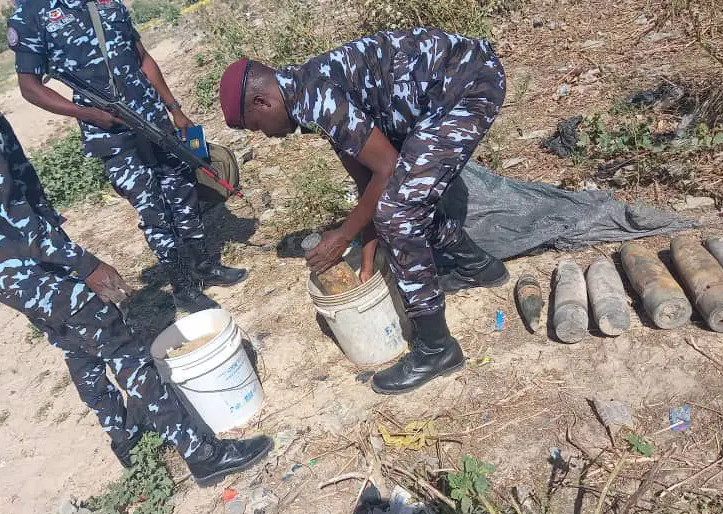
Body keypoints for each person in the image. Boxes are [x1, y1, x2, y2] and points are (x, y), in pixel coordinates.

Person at [0, 0, 271, 484]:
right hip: (21, 258)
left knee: (76, 343)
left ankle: (128, 439)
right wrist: (82, 262)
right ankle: (203, 456)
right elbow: (4, 206)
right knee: (116, 337)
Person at [218, 28, 509, 395]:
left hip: (466, 87)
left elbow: (386, 168)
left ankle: (437, 349)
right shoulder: (305, 92)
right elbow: (369, 180)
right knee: (399, 199)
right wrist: (367, 257)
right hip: (440, 96)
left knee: (399, 212)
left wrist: (343, 236)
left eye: (257, 127)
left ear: (261, 102)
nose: (265, 135)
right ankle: (478, 267)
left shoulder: (315, 97)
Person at [7, 0, 245, 314]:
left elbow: (142, 57)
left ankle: (205, 265)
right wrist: (85, 113)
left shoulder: (108, 3)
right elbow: (30, 87)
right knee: (153, 210)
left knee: (183, 192)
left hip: (154, 121)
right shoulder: (32, 15)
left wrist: (175, 109)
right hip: (111, 135)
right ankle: (184, 288)